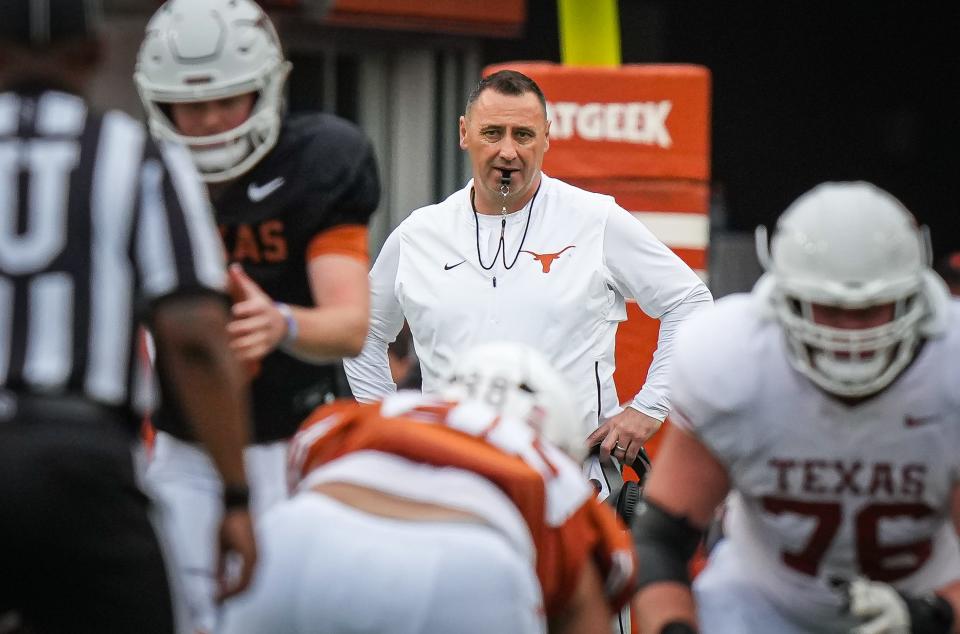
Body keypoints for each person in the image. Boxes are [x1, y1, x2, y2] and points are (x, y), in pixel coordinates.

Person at [0, 1, 255, 632]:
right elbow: (194, 337)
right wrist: (236, 494)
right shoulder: (137, 155)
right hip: (87, 462)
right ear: (94, 53)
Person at [344, 69, 712, 499]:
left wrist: (650, 406)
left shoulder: (594, 218)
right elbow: (363, 331)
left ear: (546, 138)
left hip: (572, 487)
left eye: (523, 135)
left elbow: (691, 301)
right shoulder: (418, 233)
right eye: (492, 133)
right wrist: (390, 430)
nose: (507, 151)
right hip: (452, 487)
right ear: (464, 133)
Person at [133, 0, 380, 630]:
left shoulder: (318, 160)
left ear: (267, 87)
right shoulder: (135, 173)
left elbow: (349, 326)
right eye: (192, 104)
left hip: (297, 440)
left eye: (229, 98)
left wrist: (281, 323)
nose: (212, 121)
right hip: (185, 449)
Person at [633, 181, 960, 634]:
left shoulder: (949, 369)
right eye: (827, 308)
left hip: (923, 599)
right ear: (786, 298)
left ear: (913, 296)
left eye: (870, 309)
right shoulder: (736, 358)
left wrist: (930, 614)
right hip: (762, 604)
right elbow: (662, 538)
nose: (849, 333)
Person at [218, 341, 637, 634]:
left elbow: (305, 454)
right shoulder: (548, 470)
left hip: (299, 539)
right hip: (465, 568)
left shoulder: (381, 415)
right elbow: (611, 577)